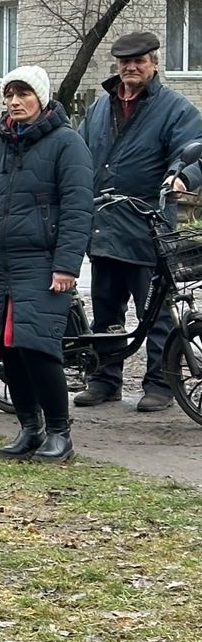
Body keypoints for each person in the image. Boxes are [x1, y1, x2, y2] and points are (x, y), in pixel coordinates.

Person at [0, 66, 93, 463]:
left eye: (23, 94)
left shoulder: (66, 143)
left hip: (41, 263)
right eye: (9, 95)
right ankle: (29, 428)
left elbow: (77, 209)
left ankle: (60, 432)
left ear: (41, 98)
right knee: (7, 350)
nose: (15, 102)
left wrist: (67, 266)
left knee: (38, 347)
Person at [74, 31, 202, 412]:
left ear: (154, 64)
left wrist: (182, 177)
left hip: (149, 228)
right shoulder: (99, 108)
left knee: (158, 310)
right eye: (125, 62)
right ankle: (105, 379)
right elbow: (78, 154)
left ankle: (160, 383)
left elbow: (195, 152)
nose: (131, 68)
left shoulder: (175, 109)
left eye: (139, 61)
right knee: (106, 308)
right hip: (102, 224)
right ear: (117, 66)